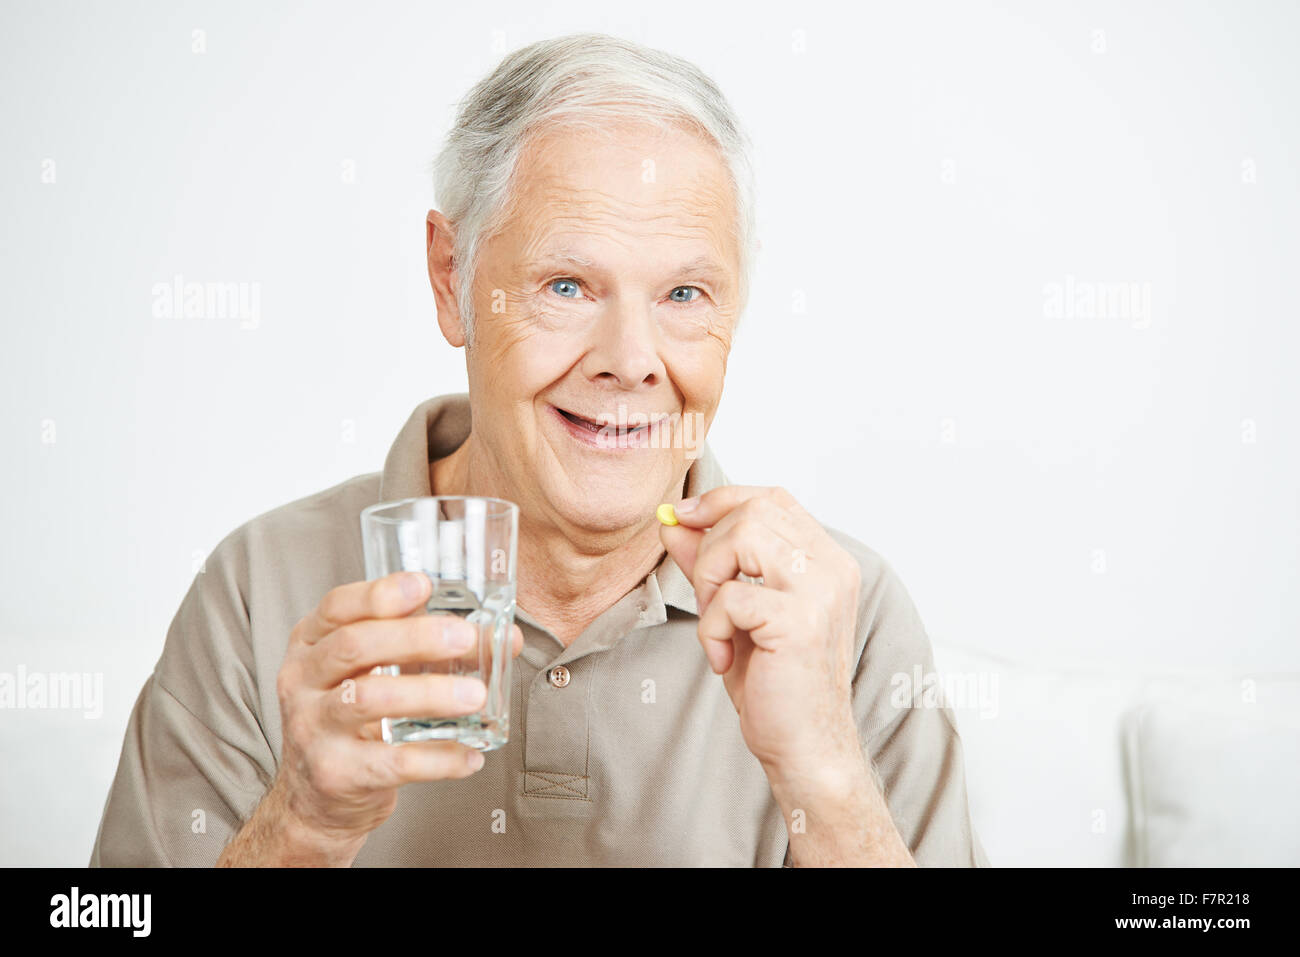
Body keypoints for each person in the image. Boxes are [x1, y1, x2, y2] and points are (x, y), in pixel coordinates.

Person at [91, 32, 988, 867]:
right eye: (567, 284)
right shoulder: (257, 590)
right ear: (452, 280)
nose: (631, 362)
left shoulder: (842, 615)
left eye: (683, 293)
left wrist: (826, 782)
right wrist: (303, 824)